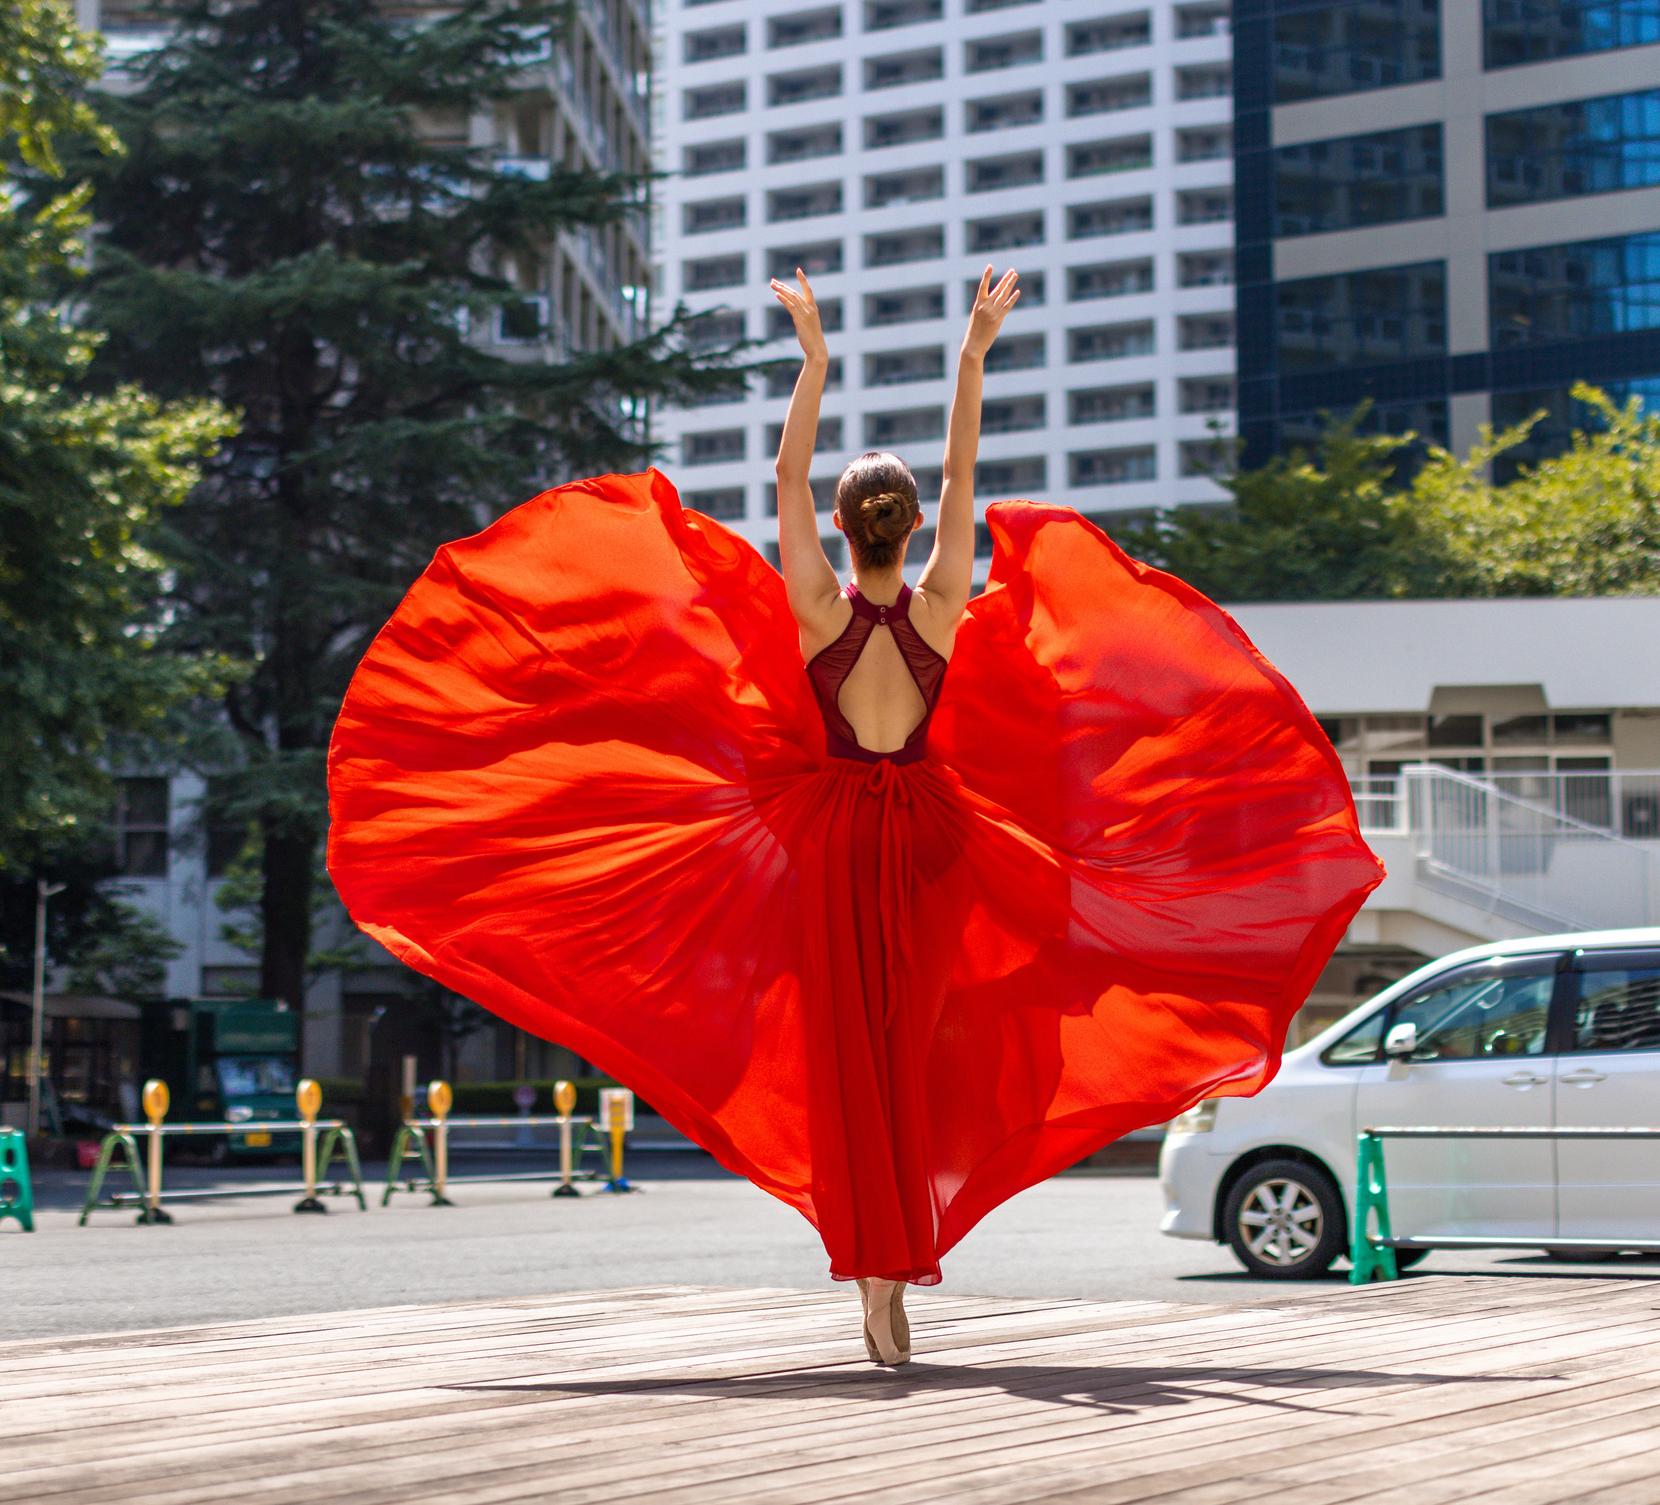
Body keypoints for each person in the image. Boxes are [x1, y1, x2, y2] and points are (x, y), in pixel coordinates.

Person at [327, 268, 1383, 1367]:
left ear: (839, 526)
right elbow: (965, 468)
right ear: (915, 525)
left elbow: (785, 476)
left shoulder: (818, 609)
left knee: (846, 1071)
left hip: (836, 841)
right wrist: (973, 356)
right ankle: (901, 1270)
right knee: (907, 1067)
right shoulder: (938, 607)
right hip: (927, 840)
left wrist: (813, 362)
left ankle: (872, 1278)